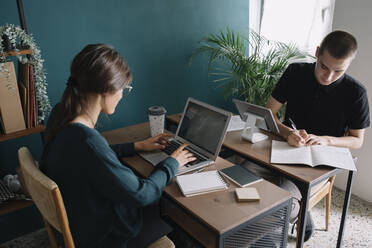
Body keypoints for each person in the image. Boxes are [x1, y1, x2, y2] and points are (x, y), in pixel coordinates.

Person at [40, 44, 196, 248]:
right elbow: (141, 194)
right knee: (178, 215)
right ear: (106, 89)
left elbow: (90, 159)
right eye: (123, 89)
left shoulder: (60, 114)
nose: (122, 95)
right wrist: (172, 163)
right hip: (107, 238)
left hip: (82, 220)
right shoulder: (87, 141)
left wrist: (137, 146)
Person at [244, 30, 370, 242]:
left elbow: (357, 140)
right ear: (318, 52)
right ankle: (300, 216)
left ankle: (257, 237)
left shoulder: (356, 93)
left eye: (338, 71)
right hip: (283, 147)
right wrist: (288, 133)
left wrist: (326, 139)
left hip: (318, 164)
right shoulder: (295, 72)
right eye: (323, 66)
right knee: (242, 178)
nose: (328, 77)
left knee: (279, 205)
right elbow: (269, 114)